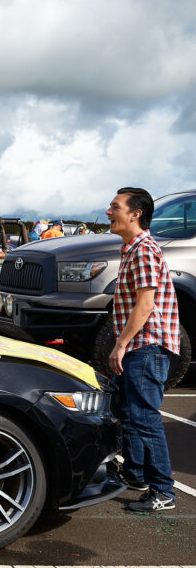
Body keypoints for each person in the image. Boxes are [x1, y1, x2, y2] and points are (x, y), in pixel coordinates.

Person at [106, 187, 180, 512]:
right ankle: (135, 474)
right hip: (140, 345)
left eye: (115, 207)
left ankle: (163, 491)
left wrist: (120, 344)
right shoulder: (131, 249)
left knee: (145, 418)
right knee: (130, 413)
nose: (109, 212)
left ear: (135, 213)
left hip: (146, 346)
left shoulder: (144, 250)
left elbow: (145, 304)